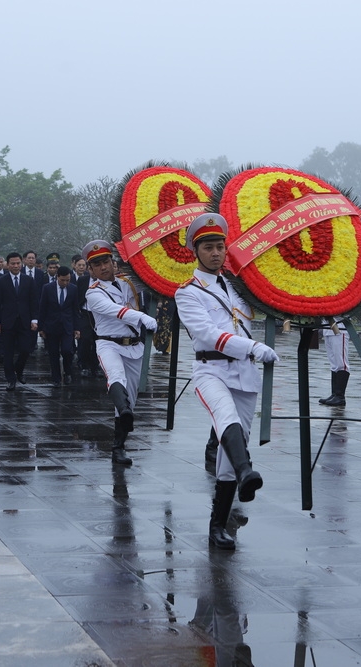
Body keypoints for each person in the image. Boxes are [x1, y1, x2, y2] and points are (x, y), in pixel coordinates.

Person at [174, 214, 279, 549]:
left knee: (230, 448)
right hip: (211, 370)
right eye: (208, 247)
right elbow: (208, 333)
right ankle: (248, 470)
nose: (216, 253)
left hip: (244, 373)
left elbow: (267, 304)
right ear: (196, 251)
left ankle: (218, 525)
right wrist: (253, 346)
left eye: (220, 246)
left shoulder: (238, 285)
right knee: (226, 419)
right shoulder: (187, 293)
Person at [83, 240, 158, 465]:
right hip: (109, 344)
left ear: (113, 262)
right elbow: (118, 311)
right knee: (116, 377)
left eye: (106, 261)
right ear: (91, 269)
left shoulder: (128, 282)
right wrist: (143, 317)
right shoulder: (93, 293)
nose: (103, 267)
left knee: (131, 399)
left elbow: (153, 284)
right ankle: (123, 415)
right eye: (97, 265)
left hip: (135, 346)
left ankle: (118, 446)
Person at [0, 252, 39, 390]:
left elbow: (33, 302)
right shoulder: (1, 281)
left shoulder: (29, 280)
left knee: (26, 349)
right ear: (8, 265)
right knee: (7, 352)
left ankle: (18, 370)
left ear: (22, 263)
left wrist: (34, 319)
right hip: (7, 321)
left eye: (18, 263)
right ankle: (10, 379)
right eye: (13, 263)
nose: (16, 266)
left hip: (24, 320)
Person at [38, 265, 79, 386]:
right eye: (63, 280)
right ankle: (55, 378)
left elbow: (75, 309)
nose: (65, 282)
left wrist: (77, 328)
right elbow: (42, 308)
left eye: (67, 280)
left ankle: (68, 372)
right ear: (57, 277)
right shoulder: (47, 288)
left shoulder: (73, 289)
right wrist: (41, 327)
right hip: (52, 326)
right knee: (53, 353)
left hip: (67, 326)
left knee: (67, 350)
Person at [317, 321, 350, 407]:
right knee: (334, 364)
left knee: (341, 363)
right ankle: (334, 394)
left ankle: (340, 396)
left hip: (339, 328)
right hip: (327, 329)